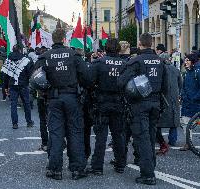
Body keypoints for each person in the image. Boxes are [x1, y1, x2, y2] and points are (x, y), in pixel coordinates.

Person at [35, 28, 91, 180]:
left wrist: (45, 91)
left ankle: (55, 170)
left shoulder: (44, 56)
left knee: (55, 133)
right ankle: (77, 169)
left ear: (53, 40)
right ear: (64, 40)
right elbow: (87, 78)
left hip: (54, 98)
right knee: (75, 132)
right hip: (72, 98)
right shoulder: (74, 55)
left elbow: (35, 79)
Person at [118, 33, 166, 185]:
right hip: (156, 103)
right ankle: (151, 166)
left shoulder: (136, 61)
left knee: (142, 138)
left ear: (140, 44)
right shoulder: (160, 61)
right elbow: (166, 85)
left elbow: (121, 82)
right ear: (151, 44)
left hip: (140, 103)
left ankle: (148, 174)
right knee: (151, 137)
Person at [87, 39, 126, 175]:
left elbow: (89, 82)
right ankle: (120, 164)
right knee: (118, 135)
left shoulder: (98, 63)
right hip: (119, 102)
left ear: (106, 49)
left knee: (101, 137)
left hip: (102, 102)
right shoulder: (125, 64)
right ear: (118, 49)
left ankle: (97, 167)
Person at [2, 45, 34, 129]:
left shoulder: (8, 60)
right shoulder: (26, 60)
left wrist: (5, 86)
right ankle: (29, 122)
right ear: (20, 50)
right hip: (24, 84)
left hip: (12, 85)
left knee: (13, 104)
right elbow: (30, 73)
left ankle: (15, 123)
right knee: (26, 103)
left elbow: (6, 75)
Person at [156, 55, 182, 154]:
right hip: (173, 99)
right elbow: (180, 84)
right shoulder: (175, 70)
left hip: (162, 98)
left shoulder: (159, 69)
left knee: (158, 121)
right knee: (173, 122)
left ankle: (158, 139)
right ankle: (172, 140)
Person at [180, 53, 200, 151]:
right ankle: (188, 143)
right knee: (185, 123)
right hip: (187, 102)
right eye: (185, 60)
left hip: (196, 102)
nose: (186, 62)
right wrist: (182, 95)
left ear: (193, 61)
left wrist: (194, 98)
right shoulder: (187, 71)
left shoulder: (198, 71)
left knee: (193, 122)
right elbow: (184, 86)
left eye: (188, 60)